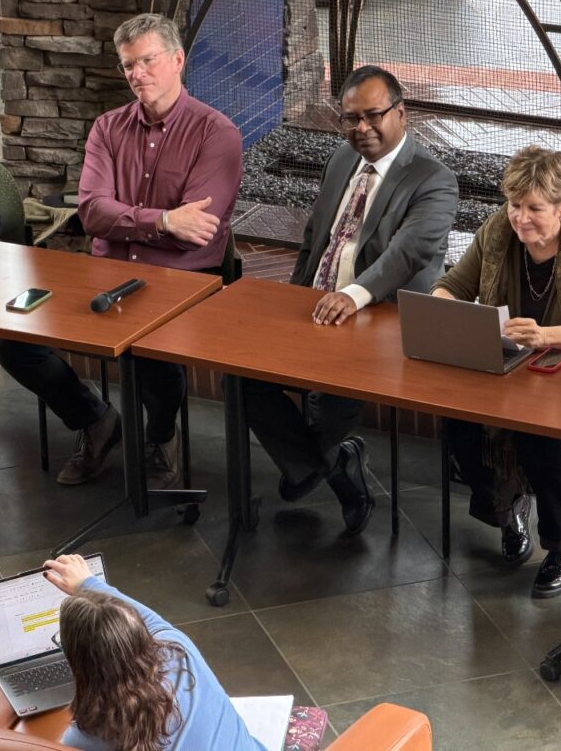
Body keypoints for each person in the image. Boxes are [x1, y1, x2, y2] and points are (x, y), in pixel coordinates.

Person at [0, 13, 243, 487]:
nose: (137, 74)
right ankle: (95, 419)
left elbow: (200, 232)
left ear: (176, 60)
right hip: (105, 276)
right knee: (13, 344)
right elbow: (91, 213)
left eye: (147, 61)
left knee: (148, 349)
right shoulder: (107, 128)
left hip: (182, 281)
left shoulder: (218, 134)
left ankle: (162, 434)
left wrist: (129, 221)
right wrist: (165, 219)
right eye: (128, 65)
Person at [241, 66, 459, 536]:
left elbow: (407, 254)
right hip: (316, 305)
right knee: (241, 375)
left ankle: (320, 462)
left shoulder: (434, 180)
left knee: (329, 402)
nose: (361, 128)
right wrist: (293, 300)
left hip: (381, 320)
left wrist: (353, 296)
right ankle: (336, 465)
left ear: (402, 114)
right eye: (350, 118)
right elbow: (314, 237)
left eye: (373, 116)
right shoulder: (340, 159)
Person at [432, 147, 561, 598]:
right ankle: (508, 507)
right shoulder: (499, 229)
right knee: (459, 418)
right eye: (514, 205)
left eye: (534, 209)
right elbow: (454, 285)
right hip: (511, 362)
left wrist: (547, 336)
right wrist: (441, 309)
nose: (520, 218)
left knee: (539, 428)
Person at [42, 554, 262, 751]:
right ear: (139, 630)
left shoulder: (89, 736)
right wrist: (87, 583)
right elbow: (143, 615)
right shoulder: (179, 651)